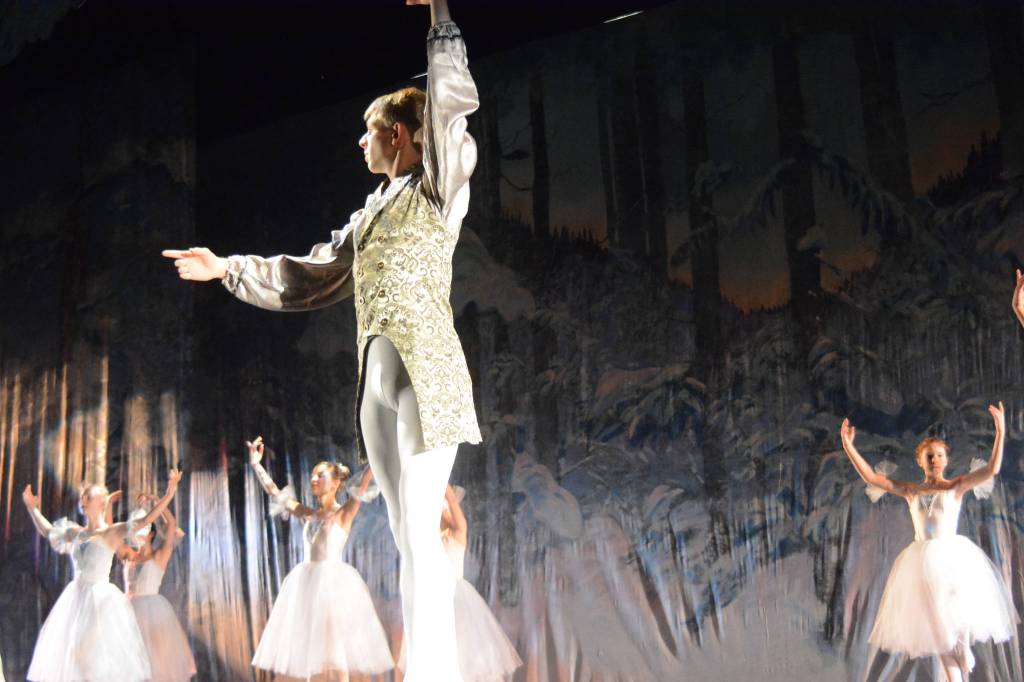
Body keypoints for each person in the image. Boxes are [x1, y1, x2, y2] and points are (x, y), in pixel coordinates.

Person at [162, 1, 479, 676]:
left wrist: (439, 18)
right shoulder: (367, 220)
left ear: (398, 134)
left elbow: (449, 111)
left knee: (422, 532)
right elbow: (306, 276)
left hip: (428, 376)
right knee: (403, 536)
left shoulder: (437, 188)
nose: (359, 145)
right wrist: (229, 268)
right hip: (379, 392)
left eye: (368, 135)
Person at [840, 409, 1018, 682]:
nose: (934, 460)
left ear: (946, 460)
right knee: (939, 633)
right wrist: (849, 446)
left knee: (955, 616)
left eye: (939, 455)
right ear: (921, 462)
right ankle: (958, 656)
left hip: (954, 559)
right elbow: (873, 479)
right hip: (921, 563)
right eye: (929, 456)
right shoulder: (911, 491)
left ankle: (962, 643)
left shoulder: (956, 487)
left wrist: (1001, 432)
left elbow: (992, 468)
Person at [248, 436, 393, 680]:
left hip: (334, 588)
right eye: (313, 475)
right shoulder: (308, 514)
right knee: (312, 657)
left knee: (336, 656)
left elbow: (368, 476)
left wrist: (381, 443)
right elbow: (274, 492)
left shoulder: (344, 513)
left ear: (336, 483)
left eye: (321, 475)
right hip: (307, 586)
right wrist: (256, 465)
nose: (313, 479)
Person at [22, 470, 182, 682]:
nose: (83, 499)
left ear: (101, 503)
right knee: (74, 658)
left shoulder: (111, 532)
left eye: (89, 496)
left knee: (91, 658)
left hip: (101, 602)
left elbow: (145, 520)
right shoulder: (75, 532)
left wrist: (169, 494)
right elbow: (48, 531)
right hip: (77, 598)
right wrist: (32, 508)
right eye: (83, 496)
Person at [401, 485, 522, 681]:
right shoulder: (429, 540)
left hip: (457, 597)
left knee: (466, 657)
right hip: (435, 598)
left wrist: (441, 482)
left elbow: (454, 506)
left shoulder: (458, 531)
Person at [122, 495, 196, 682]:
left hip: (153, 611)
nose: (139, 533)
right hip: (128, 610)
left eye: (143, 529)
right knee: (131, 661)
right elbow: (112, 539)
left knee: (156, 660)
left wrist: (156, 500)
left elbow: (171, 524)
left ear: (151, 534)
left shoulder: (160, 555)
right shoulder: (129, 555)